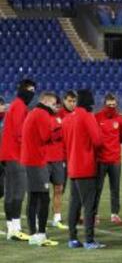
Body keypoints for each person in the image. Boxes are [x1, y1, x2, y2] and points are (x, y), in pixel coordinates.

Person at [62, 89, 104, 249]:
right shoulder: (87, 116)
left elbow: (64, 144)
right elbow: (98, 141)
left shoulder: (67, 118)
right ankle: (89, 240)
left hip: (72, 166)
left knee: (74, 204)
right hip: (86, 167)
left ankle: (72, 238)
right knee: (89, 205)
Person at [21, 92, 61, 246]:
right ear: (45, 101)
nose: (54, 106)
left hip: (30, 159)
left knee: (33, 198)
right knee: (43, 198)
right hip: (37, 161)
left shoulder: (34, 113)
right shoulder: (43, 114)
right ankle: (41, 235)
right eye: (52, 103)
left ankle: (33, 234)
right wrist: (58, 128)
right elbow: (46, 136)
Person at [0, 79, 36, 241]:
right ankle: (15, 228)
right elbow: (20, 133)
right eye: (30, 89)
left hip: (7, 155)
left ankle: (11, 228)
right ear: (22, 90)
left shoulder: (14, 105)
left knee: (10, 192)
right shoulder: (20, 106)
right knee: (18, 191)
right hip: (16, 155)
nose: (32, 92)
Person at [95, 93, 122, 225]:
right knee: (97, 188)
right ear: (104, 104)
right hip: (100, 159)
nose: (111, 107)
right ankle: (94, 214)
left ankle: (114, 214)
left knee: (115, 188)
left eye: (114, 105)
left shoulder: (120, 119)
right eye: (109, 105)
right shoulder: (97, 117)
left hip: (115, 159)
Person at [46, 96, 68, 230]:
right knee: (42, 191)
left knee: (59, 189)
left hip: (58, 159)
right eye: (54, 105)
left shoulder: (61, 119)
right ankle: (38, 218)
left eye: (58, 106)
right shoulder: (44, 118)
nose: (56, 108)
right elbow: (48, 136)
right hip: (45, 159)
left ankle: (57, 218)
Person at [0, 97, 6, 200]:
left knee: (1, 190)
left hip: (3, 157)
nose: (2, 106)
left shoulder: (6, 118)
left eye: (2, 104)